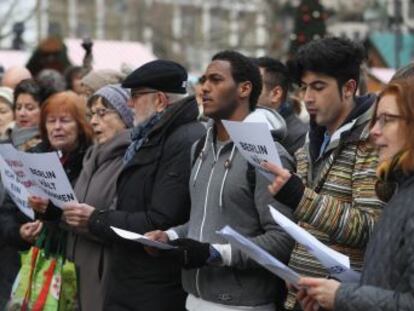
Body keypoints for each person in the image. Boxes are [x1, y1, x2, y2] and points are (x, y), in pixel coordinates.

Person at [146, 51, 295, 311]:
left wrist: (216, 254)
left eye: (216, 80)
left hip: (243, 304)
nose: (204, 87)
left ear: (244, 89)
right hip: (193, 298)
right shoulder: (199, 147)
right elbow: (208, 219)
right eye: (204, 80)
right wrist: (170, 236)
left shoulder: (267, 155)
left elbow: (282, 239)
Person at [260, 37, 384, 310]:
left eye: (318, 87)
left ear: (349, 88)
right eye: (304, 87)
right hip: (302, 295)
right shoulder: (311, 138)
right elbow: (307, 229)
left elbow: (370, 228)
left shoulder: (372, 142)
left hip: (343, 299)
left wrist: (300, 197)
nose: (307, 98)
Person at [80, 60, 205, 311]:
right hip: (134, 281)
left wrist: (97, 219)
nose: (129, 103)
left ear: (159, 100)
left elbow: (159, 220)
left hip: (154, 287)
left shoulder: (183, 140)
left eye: (136, 96)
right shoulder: (152, 136)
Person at [296, 78, 414, 311]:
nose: (374, 132)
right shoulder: (401, 191)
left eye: (387, 120)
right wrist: (330, 293)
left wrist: (342, 296)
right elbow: (388, 282)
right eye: (375, 120)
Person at [0, 91, 93, 308]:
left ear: (80, 125)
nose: (57, 127)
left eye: (65, 120)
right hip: (32, 259)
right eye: (51, 121)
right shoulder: (32, 156)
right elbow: (7, 210)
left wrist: (52, 211)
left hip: (75, 259)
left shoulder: (90, 159)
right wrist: (19, 231)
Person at [60, 85, 133, 311]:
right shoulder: (92, 157)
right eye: (92, 114)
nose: (93, 122)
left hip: (105, 273)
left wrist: (86, 220)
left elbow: (123, 222)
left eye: (103, 113)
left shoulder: (131, 159)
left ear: (125, 117)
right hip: (78, 267)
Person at [254, 57, 308, 155]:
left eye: (254, 85)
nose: (245, 91)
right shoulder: (245, 123)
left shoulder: (299, 138)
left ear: (275, 94)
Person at [2, 79, 43, 150]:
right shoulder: (6, 137)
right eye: (18, 107)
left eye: (29, 108)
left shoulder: (50, 143)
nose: (22, 113)